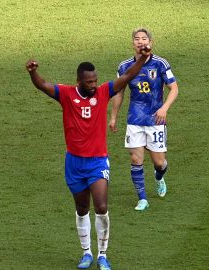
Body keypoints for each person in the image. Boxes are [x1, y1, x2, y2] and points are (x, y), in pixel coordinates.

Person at [26, 45, 152, 270]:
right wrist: (33, 72)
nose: (94, 85)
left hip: (97, 161)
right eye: (89, 82)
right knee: (82, 208)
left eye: (95, 80)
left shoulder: (104, 92)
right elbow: (43, 86)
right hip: (74, 163)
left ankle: (103, 255)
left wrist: (142, 58)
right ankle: (86, 253)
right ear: (79, 81)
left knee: (101, 205)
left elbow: (128, 75)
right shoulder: (66, 94)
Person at [109, 28, 179, 211]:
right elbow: (119, 93)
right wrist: (114, 117)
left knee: (159, 162)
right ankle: (142, 199)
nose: (140, 41)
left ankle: (159, 176)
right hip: (135, 119)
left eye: (144, 38)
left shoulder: (160, 64)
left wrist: (164, 108)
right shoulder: (124, 66)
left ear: (150, 42)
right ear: (133, 43)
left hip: (156, 119)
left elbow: (174, 88)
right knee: (135, 158)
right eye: (137, 39)